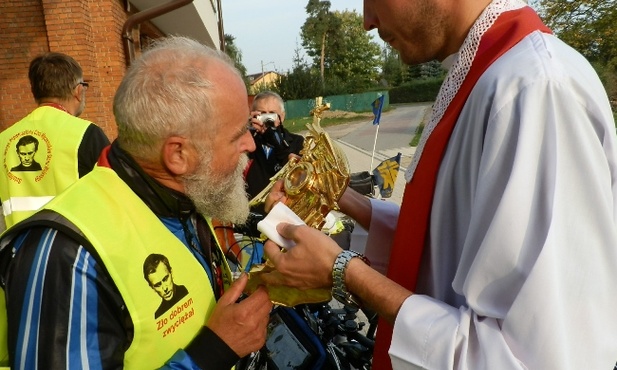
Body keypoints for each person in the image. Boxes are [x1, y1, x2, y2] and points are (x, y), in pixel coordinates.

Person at [259, 0, 617, 369]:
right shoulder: (485, 72)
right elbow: (451, 251)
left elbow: (532, 358)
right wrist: (340, 198)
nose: (367, 21)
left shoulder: (534, 88)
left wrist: (344, 270)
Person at [0, 36, 272, 369]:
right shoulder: (68, 258)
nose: (251, 144)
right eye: (237, 134)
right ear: (178, 155)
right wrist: (213, 353)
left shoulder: (182, 197)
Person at [0, 52, 110, 229]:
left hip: (17, 249)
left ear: (34, 91)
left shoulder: (3, 140)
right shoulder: (86, 134)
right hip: (73, 248)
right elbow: (116, 195)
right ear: (78, 90)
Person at [245, 91, 304, 215]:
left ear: (282, 117)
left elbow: (298, 175)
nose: (267, 119)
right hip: (253, 215)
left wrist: (276, 140)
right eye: (262, 114)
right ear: (253, 116)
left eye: (271, 114)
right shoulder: (247, 143)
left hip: (286, 211)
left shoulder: (297, 142)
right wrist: (245, 128)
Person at [143, 253, 190, 319]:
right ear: (152, 287)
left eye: (165, 279)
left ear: (171, 273)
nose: (165, 288)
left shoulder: (186, 290)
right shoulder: (158, 315)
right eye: (157, 285)